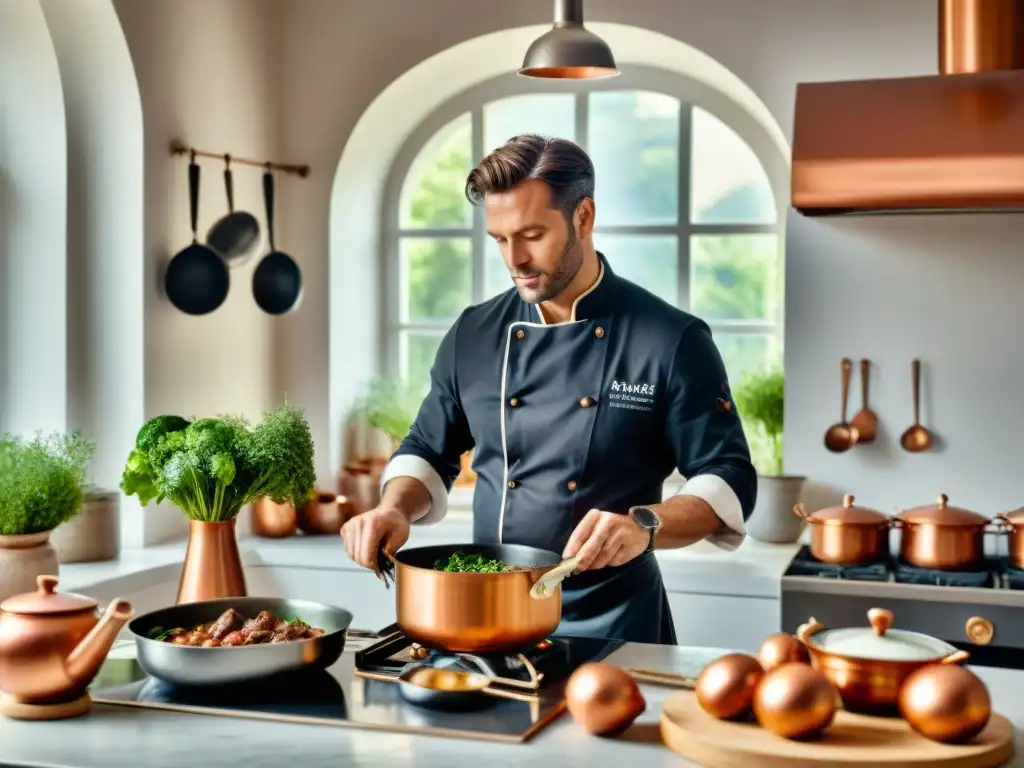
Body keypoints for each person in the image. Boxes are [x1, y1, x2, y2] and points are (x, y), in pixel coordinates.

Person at [341, 133, 757, 644]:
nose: (514, 258)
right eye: (499, 238)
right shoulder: (474, 334)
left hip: (614, 623)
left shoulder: (670, 338)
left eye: (532, 234)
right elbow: (428, 448)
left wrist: (644, 525)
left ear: (583, 217)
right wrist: (393, 508)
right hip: (489, 615)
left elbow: (728, 475)